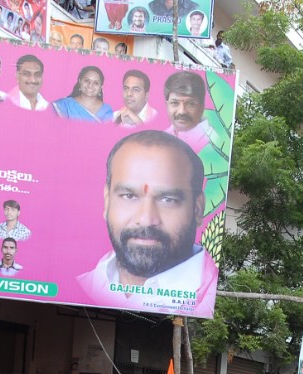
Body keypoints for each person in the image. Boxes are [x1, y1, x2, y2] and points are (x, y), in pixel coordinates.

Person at [77, 131, 215, 314]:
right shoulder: (81, 287)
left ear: (197, 209)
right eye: (129, 196)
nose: (146, 219)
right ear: (107, 200)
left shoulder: (210, 297)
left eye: (168, 199)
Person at [163, 71, 214, 152]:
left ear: (202, 107)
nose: (182, 111)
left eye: (190, 104)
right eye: (175, 103)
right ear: (167, 105)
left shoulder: (214, 143)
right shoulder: (159, 139)